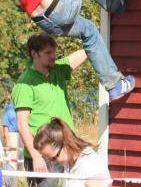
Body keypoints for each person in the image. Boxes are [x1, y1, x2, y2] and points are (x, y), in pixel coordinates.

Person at [12, 33, 87, 187]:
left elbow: (85, 52)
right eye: (48, 53)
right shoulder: (24, 84)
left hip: (66, 147)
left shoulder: (58, 70)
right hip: (42, 153)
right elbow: (21, 124)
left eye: (54, 52)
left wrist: (94, 36)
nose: (53, 56)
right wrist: (35, 156)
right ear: (34, 54)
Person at [34, 117, 112, 187]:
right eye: (48, 159)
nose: (53, 162)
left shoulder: (90, 165)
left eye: (54, 157)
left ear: (65, 144)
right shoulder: (69, 163)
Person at [0, 94, 23, 170]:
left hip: (22, 134)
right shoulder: (9, 108)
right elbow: (5, 125)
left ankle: (21, 178)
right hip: (12, 134)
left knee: (21, 157)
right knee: (12, 157)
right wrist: (8, 140)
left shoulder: (23, 107)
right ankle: (11, 178)